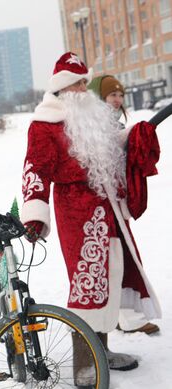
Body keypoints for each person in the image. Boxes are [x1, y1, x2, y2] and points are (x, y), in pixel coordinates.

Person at [20, 52, 161, 373]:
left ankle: (102, 352)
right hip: (77, 217)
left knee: (108, 283)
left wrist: (137, 134)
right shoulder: (44, 125)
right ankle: (86, 367)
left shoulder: (90, 119)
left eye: (85, 82)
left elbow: (113, 146)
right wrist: (34, 216)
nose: (85, 89)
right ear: (64, 89)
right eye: (79, 84)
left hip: (108, 214)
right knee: (87, 288)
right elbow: (36, 169)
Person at [88, 74, 160, 336]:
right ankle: (122, 317)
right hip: (98, 208)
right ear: (98, 98)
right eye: (112, 95)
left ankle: (124, 314)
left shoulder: (114, 125)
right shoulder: (92, 128)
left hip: (114, 205)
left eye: (120, 95)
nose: (117, 100)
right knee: (114, 261)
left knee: (122, 258)